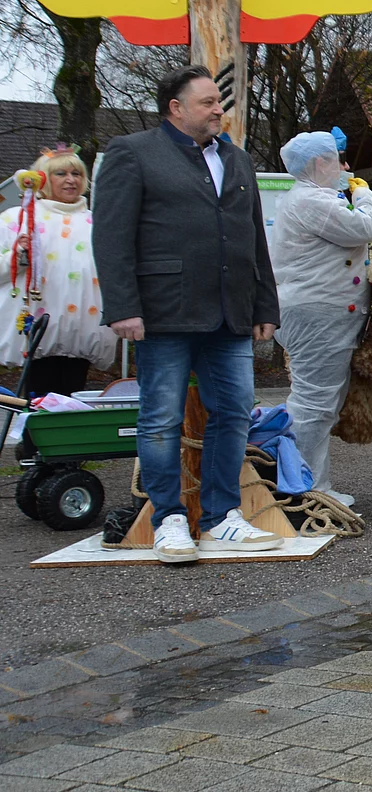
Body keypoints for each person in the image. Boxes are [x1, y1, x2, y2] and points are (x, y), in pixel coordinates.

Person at [93, 66, 284, 564]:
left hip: (230, 312)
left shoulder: (237, 160)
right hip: (164, 312)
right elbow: (111, 237)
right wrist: (123, 307)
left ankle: (222, 518)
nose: (219, 110)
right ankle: (170, 521)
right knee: (160, 419)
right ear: (176, 108)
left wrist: (265, 304)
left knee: (235, 412)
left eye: (219, 101)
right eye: (207, 103)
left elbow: (253, 238)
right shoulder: (133, 153)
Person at [269, 130, 372, 507]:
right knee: (314, 404)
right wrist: (363, 194)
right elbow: (363, 227)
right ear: (319, 163)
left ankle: (306, 482)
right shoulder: (311, 200)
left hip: (321, 314)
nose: (344, 168)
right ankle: (305, 488)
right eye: (337, 160)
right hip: (316, 315)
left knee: (320, 402)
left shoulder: (311, 198)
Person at [0, 148, 117, 400]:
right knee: (38, 401)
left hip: (83, 333)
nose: (70, 180)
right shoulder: (18, 219)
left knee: (71, 401)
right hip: (35, 331)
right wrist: (17, 256)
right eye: (61, 173)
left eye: (76, 173)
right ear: (43, 178)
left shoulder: (99, 224)